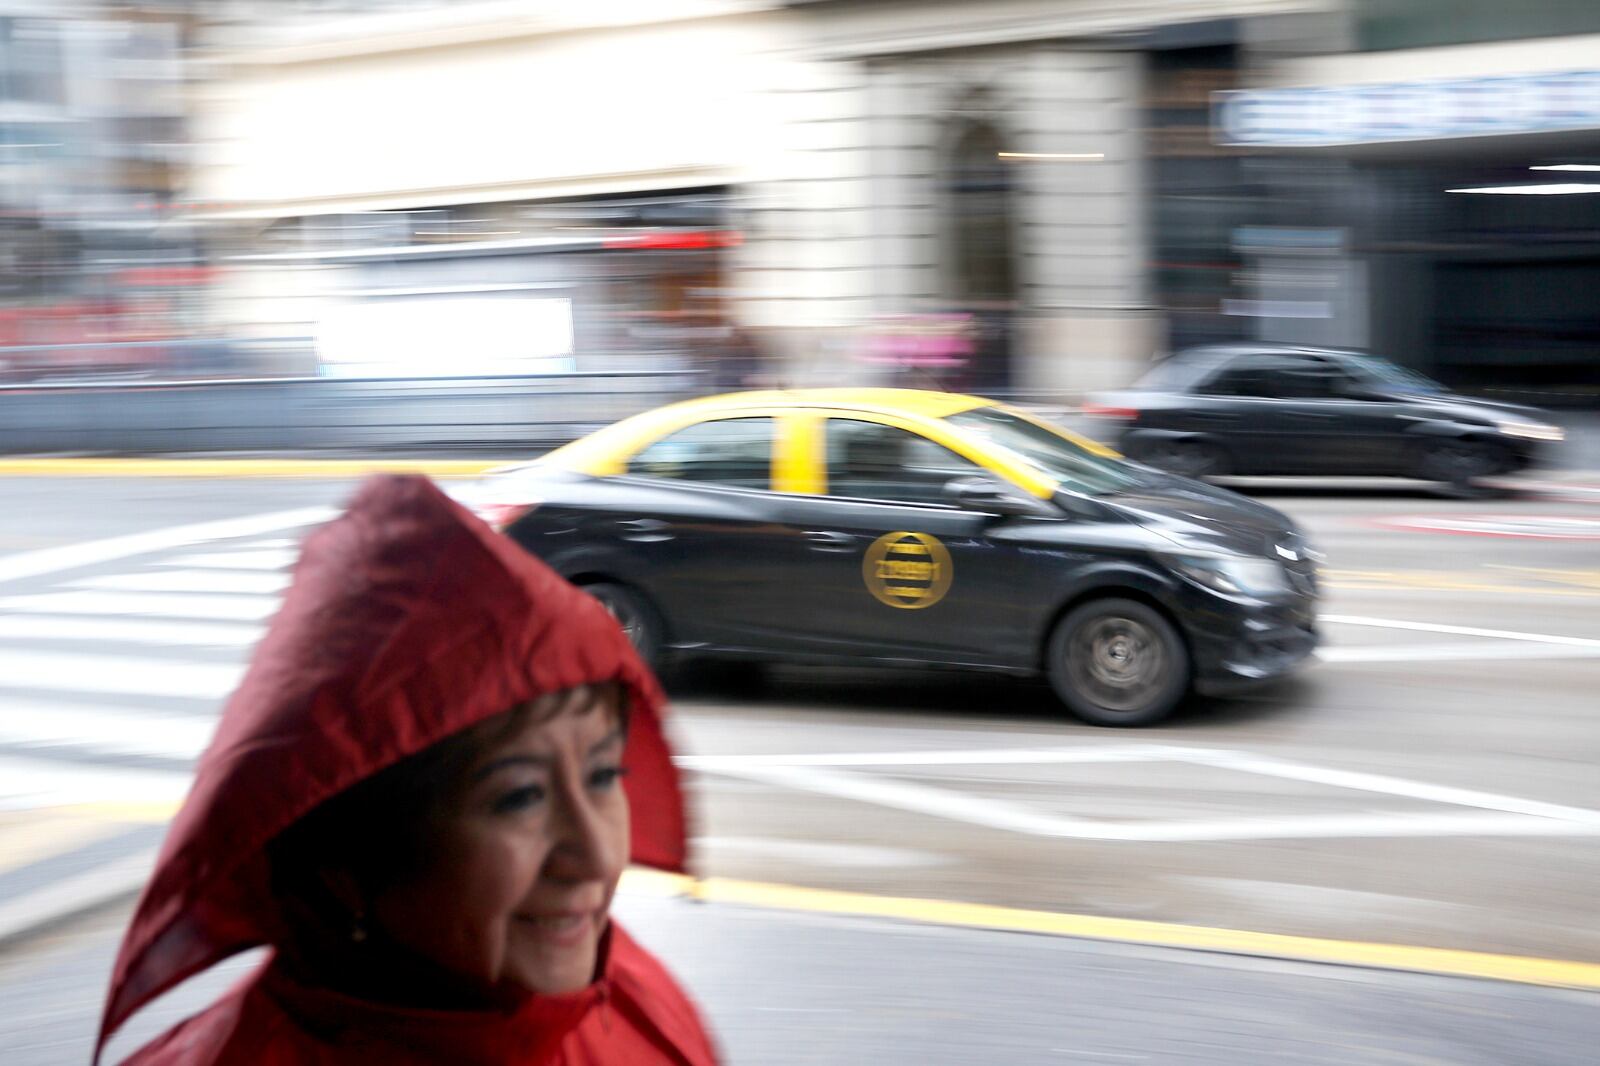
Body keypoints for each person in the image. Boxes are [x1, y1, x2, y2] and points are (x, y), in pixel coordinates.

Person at [95, 475, 719, 1065]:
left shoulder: (630, 994)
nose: (597, 857)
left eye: (604, 775)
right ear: (347, 864)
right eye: (520, 797)